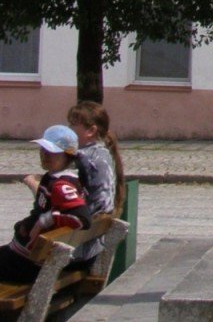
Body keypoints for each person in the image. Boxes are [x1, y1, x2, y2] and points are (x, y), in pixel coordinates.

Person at [0, 125, 90, 285]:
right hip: (26, 257)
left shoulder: (62, 185)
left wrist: (45, 220)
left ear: (67, 156)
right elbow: (48, 203)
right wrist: (32, 185)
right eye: (43, 149)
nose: (44, 155)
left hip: (28, 263)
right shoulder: (53, 178)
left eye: (52, 153)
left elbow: (82, 218)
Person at [67, 101, 124, 266]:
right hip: (93, 245)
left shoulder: (84, 158)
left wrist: (33, 184)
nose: (69, 130)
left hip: (78, 250)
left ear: (91, 130)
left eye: (72, 125)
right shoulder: (102, 154)